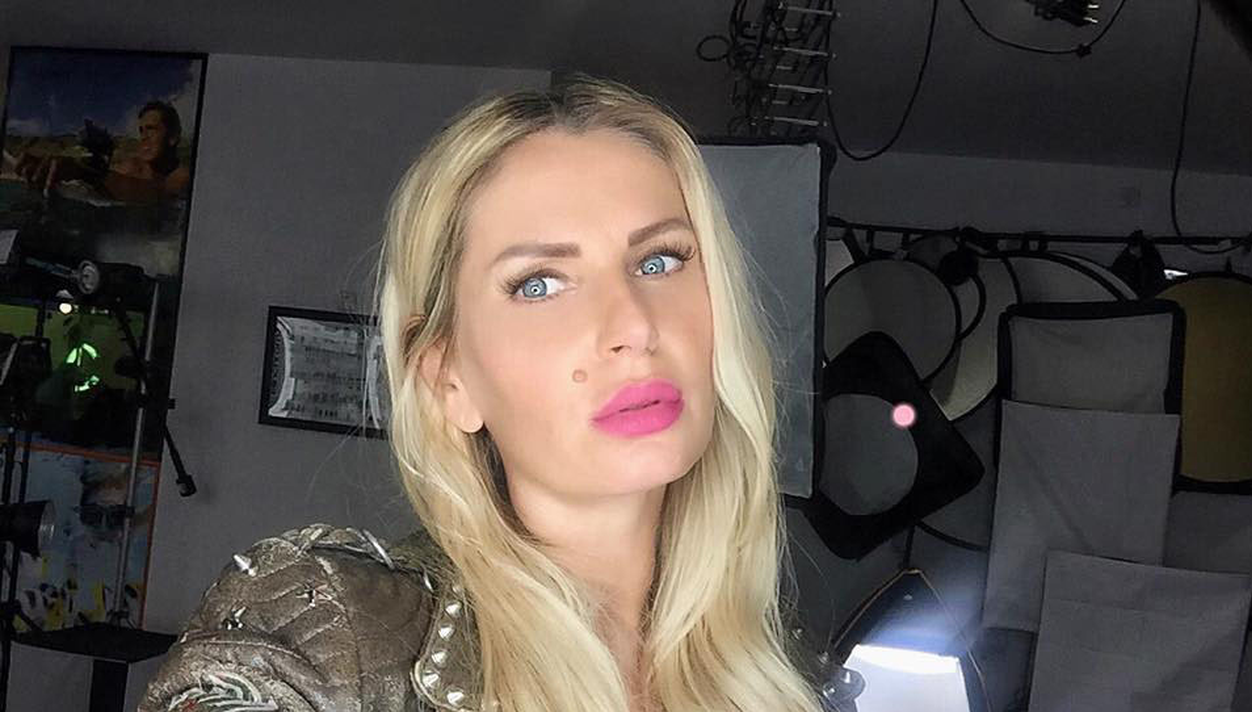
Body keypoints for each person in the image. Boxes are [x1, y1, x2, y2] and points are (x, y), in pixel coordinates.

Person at [138, 74, 838, 712]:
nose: (633, 326)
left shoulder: (776, 669)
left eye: (659, 261)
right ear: (449, 378)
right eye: (539, 284)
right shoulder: (328, 633)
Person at [14, 100, 190, 204]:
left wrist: (84, 172)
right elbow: (102, 180)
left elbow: (158, 194)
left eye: (151, 129)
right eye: (141, 131)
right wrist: (42, 170)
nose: (143, 137)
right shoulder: (130, 166)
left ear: (173, 137)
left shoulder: (183, 177)